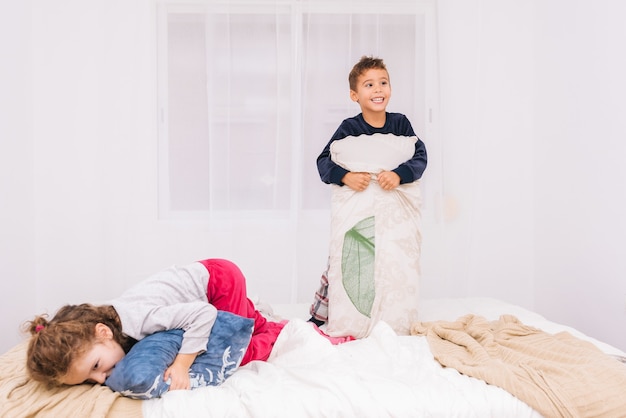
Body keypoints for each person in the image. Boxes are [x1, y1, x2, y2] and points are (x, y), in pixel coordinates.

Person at [25, 258, 352, 390]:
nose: (101, 379)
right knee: (242, 325)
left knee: (239, 352)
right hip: (205, 286)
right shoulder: (112, 330)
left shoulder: (140, 320)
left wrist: (183, 364)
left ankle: (297, 333)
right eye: (90, 380)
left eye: (96, 366)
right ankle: (256, 318)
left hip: (219, 282)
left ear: (103, 331)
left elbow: (203, 315)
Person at [308, 56, 427, 328]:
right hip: (359, 210)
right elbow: (323, 162)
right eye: (369, 85)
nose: (377, 90)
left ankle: (391, 315)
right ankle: (333, 314)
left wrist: (398, 175)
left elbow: (419, 157)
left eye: (383, 83)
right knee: (349, 257)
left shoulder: (400, 124)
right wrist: (347, 176)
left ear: (391, 89)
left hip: (392, 210)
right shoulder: (350, 129)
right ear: (354, 95)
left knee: (392, 258)